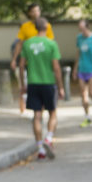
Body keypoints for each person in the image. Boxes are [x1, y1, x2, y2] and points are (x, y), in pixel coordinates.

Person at [19, 17, 65, 159]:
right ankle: (49, 138)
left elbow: (21, 66)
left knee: (37, 116)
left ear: (35, 28)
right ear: (47, 28)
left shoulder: (27, 44)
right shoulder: (51, 44)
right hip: (48, 83)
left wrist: (22, 84)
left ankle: (40, 147)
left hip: (33, 83)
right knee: (52, 113)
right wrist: (61, 86)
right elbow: (56, 67)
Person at [10, 4, 55, 115]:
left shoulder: (47, 26)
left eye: (37, 11)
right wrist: (14, 59)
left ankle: (40, 109)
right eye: (33, 11)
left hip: (43, 63)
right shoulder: (25, 27)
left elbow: (51, 45)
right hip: (29, 63)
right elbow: (19, 44)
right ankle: (23, 109)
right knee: (23, 84)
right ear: (29, 13)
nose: (36, 13)